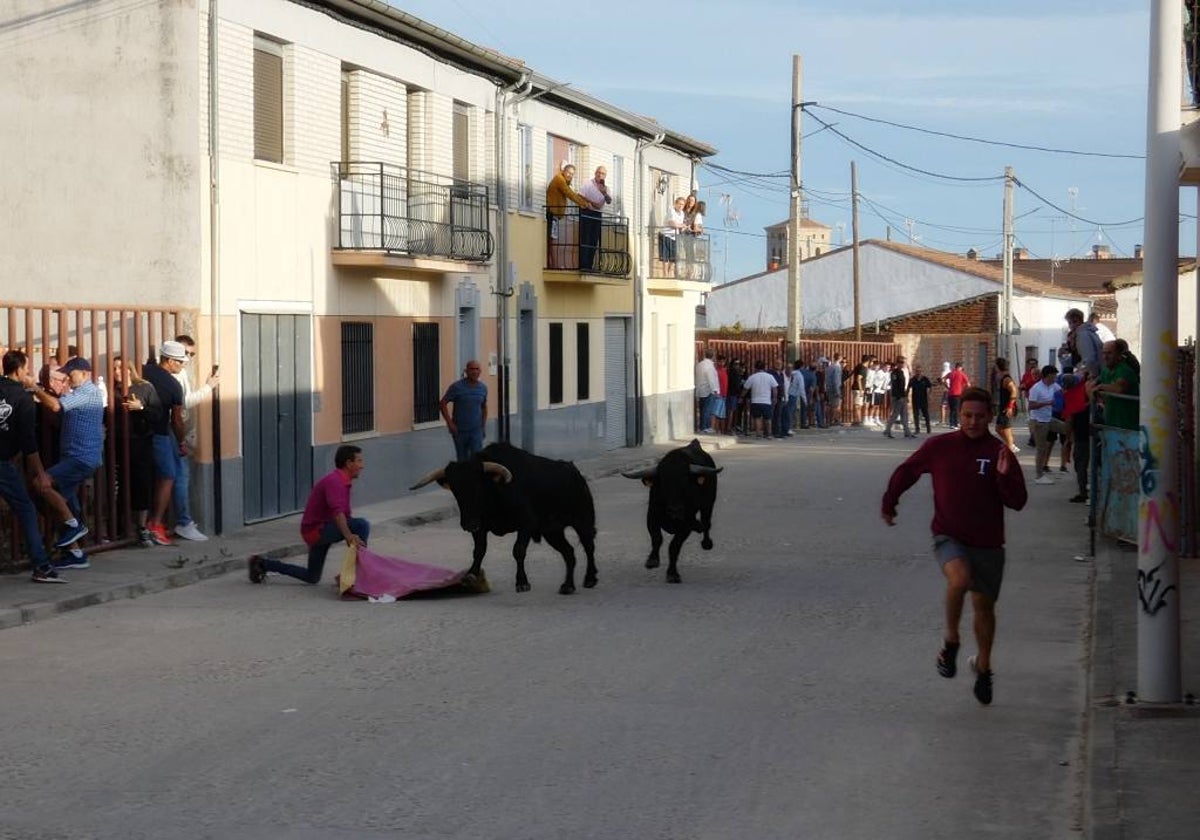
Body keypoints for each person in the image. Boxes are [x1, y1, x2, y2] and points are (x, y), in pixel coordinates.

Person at [881, 386, 1028, 706]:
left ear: (990, 417)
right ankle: (951, 641)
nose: (972, 422)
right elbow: (908, 471)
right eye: (966, 416)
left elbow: (1018, 501)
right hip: (949, 535)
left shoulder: (999, 452)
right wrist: (890, 501)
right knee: (959, 579)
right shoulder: (940, 446)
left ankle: (984, 666)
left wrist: (1004, 477)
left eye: (979, 416)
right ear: (958, 415)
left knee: (984, 608)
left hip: (988, 542)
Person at [1, 350, 83, 583]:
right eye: (26, 368)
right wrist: (40, 473)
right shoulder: (22, 397)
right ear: (19, 370)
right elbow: (29, 444)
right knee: (26, 510)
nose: (27, 373)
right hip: (3, 464)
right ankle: (41, 565)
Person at [24, 356, 105, 569]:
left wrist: (33, 388)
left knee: (42, 484)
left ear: (86, 373)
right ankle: (76, 554)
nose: (68, 378)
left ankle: (74, 526)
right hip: (77, 458)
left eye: (72, 374)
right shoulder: (81, 393)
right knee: (63, 504)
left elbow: (56, 407)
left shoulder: (87, 392)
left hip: (79, 458)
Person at [249, 445, 369, 585]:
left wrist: (351, 535)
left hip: (319, 529)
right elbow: (338, 513)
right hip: (317, 531)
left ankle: (261, 563)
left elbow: (343, 515)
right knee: (362, 525)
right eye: (359, 461)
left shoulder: (342, 482)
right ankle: (354, 576)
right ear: (349, 463)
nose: (362, 466)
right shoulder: (335, 481)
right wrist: (349, 535)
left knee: (312, 577)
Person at [170, 334, 219, 541]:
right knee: (180, 477)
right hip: (174, 429)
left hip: (179, 429)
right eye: (185, 353)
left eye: (191, 354)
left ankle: (182, 521)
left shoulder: (181, 373)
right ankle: (183, 522)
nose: (188, 358)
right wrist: (208, 387)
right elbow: (184, 402)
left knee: (178, 478)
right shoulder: (175, 375)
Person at [142, 341, 189, 546]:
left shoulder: (144, 370)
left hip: (138, 432)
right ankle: (156, 524)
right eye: (180, 362)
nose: (182, 366)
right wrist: (181, 441)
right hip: (160, 433)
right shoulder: (174, 385)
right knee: (168, 476)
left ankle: (141, 525)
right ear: (169, 361)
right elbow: (176, 420)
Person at [113, 355, 161, 545]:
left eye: (120, 368)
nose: (117, 372)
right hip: (117, 443)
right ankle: (120, 529)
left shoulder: (144, 387)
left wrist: (140, 407)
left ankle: (141, 528)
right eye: (114, 368)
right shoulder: (109, 390)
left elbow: (158, 414)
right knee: (119, 486)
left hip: (140, 443)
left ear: (130, 369)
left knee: (141, 485)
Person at [439, 360, 488, 461]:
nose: (474, 372)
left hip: (476, 431)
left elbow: (484, 407)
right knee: (462, 460)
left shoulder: (483, 388)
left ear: (480, 371)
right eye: (471, 369)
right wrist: (450, 423)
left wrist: (483, 427)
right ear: (466, 371)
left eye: (477, 369)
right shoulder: (456, 387)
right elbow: (443, 403)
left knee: (477, 459)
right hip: (459, 431)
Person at [545, 162, 591, 269]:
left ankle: (553, 264)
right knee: (551, 240)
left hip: (555, 215)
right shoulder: (559, 179)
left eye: (572, 174)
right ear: (564, 171)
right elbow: (569, 193)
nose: (570, 175)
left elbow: (571, 192)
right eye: (569, 173)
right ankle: (553, 265)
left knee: (553, 239)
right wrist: (583, 204)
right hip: (552, 213)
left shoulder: (563, 181)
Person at [1027, 365, 1068, 484]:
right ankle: (1039, 476)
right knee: (1041, 449)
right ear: (1047, 376)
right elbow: (1031, 406)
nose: (1055, 377)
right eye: (1053, 375)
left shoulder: (1053, 385)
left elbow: (1062, 392)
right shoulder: (1036, 388)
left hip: (1049, 418)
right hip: (1038, 421)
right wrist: (1047, 403)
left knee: (1067, 429)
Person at [1089, 340, 1140, 430]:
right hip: (1111, 423)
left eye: (1109, 353)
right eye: (1103, 353)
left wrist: (1100, 387)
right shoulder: (1105, 370)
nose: (1105, 357)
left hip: (1128, 426)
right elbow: (1091, 385)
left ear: (1119, 354)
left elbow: (1118, 389)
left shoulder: (1124, 370)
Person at [577, 166, 612, 272]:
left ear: (605, 176)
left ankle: (590, 265)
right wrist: (592, 202)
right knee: (585, 238)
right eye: (598, 173)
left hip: (597, 214)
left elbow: (609, 201)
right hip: (586, 212)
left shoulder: (606, 188)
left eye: (603, 174)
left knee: (594, 240)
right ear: (595, 173)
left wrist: (604, 193)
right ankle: (584, 265)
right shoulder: (588, 183)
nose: (600, 175)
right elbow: (580, 195)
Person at [742, 359, 778, 439]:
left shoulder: (752, 377)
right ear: (764, 367)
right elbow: (775, 388)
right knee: (768, 419)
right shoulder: (770, 376)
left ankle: (758, 434)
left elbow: (745, 388)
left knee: (757, 418)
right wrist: (775, 398)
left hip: (755, 401)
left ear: (755, 368)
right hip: (766, 401)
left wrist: (741, 397)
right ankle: (768, 434)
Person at [1065, 308, 1103, 381]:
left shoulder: (1082, 335)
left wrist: (1079, 373)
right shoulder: (1086, 332)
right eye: (1070, 323)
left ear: (1081, 321)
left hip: (1090, 376)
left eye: (1075, 322)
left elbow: (1089, 358)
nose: (1072, 325)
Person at [991, 358, 1019, 454]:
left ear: (998, 366)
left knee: (1006, 428)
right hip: (1003, 406)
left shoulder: (1006, 379)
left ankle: (1010, 447)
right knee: (998, 428)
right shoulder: (1003, 378)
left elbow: (1014, 390)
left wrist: (1010, 406)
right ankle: (1010, 444)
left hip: (1007, 407)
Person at [884, 356, 912, 438]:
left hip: (902, 395)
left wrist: (905, 395)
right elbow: (896, 386)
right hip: (897, 397)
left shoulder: (901, 372)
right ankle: (887, 430)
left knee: (904, 414)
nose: (904, 364)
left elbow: (904, 385)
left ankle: (907, 432)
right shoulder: (895, 373)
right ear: (898, 363)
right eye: (902, 362)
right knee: (895, 414)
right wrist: (899, 396)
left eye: (904, 362)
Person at [694, 349, 719, 433]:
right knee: (707, 410)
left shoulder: (700, 364)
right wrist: (715, 390)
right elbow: (711, 379)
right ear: (713, 356)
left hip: (700, 390)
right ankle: (705, 427)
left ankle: (703, 426)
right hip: (708, 390)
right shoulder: (710, 366)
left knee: (702, 409)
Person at [659, 196, 687, 267]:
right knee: (665, 257)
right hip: (666, 235)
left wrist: (683, 227)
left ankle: (670, 273)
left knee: (674, 258)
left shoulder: (682, 214)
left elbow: (679, 227)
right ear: (675, 204)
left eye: (682, 204)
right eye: (679, 204)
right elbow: (673, 224)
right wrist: (682, 225)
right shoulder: (671, 211)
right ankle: (665, 275)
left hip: (674, 237)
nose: (681, 206)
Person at [942, 362, 969, 429]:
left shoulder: (951, 373)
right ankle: (955, 424)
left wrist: (947, 387)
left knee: (951, 409)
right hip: (958, 394)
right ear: (960, 367)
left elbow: (943, 379)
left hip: (950, 393)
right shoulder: (962, 374)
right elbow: (968, 384)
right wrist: (964, 389)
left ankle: (951, 423)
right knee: (956, 409)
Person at [908, 364, 933, 435]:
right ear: (915, 372)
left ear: (921, 372)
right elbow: (908, 388)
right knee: (916, 415)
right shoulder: (912, 379)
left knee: (926, 414)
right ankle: (917, 429)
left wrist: (929, 395)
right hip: (915, 399)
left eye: (919, 371)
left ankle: (928, 428)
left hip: (923, 399)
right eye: (917, 371)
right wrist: (906, 397)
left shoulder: (925, 379)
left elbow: (930, 386)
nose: (918, 372)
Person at [825, 354, 844, 425]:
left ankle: (828, 420)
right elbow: (836, 380)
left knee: (830, 405)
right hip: (834, 388)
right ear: (840, 358)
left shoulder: (830, 367)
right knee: (835, 405)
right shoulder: (837, 367)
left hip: (829, 387)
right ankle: (834, 420)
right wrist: (837, 390)